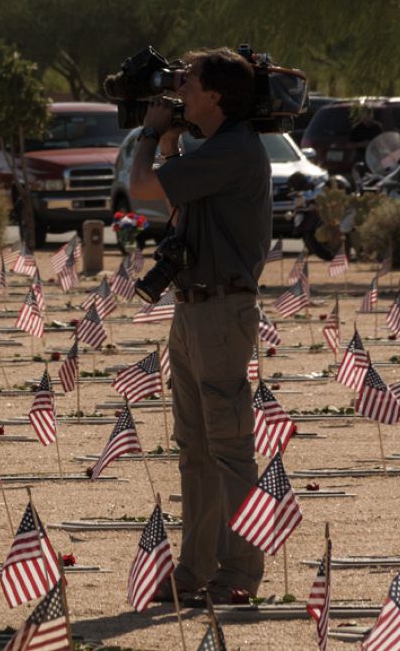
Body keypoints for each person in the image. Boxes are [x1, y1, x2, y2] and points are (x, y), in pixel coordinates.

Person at [126, 47, 271, 603]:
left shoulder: (235, 147)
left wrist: (148, 136)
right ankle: (195, 570)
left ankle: (238, 573)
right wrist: (169, 146)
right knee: (194, 446)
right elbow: (175, 211)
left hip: (222, 310)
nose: (178, 90)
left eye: (188, 82)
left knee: (229, 445)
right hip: (194, 306)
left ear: (216, 96)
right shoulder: (214, 148)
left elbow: (141, 194)